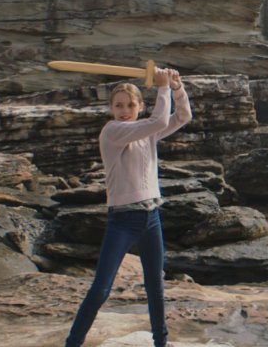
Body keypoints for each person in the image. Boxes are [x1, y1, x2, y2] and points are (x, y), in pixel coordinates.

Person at [66, 67, 192, 347]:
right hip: (122, 221)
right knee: (100, 290)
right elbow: (159, 120)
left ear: (140, 106)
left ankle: (161, 343)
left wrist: (176, 88)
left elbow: (182, 117)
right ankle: (72, 343)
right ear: (111, 108)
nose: (124, 110)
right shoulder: (113, 131)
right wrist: (161, 87)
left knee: (155, 287)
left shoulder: (145, 132)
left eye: (130, 105)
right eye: (119, 105)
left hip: (151, 217)